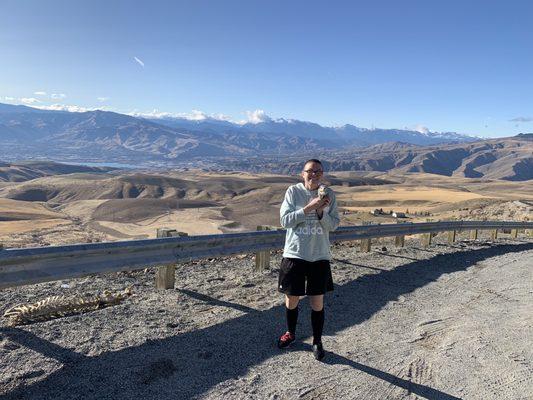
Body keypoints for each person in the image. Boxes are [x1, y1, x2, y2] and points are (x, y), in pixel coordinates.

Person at [277, 159, 339, 360]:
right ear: (302, 173)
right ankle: (291, 333)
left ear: (322, 174)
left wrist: (321, 212)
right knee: (291, 298)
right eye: (310, 171)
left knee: (317, 302)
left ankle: (317, 341)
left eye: (318, 172)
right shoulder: (293, 192)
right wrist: (309, 208)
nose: (314, 175)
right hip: (295, 253)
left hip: (319, 255)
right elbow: (285, 221)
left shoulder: (329, 194)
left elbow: (333, 225)